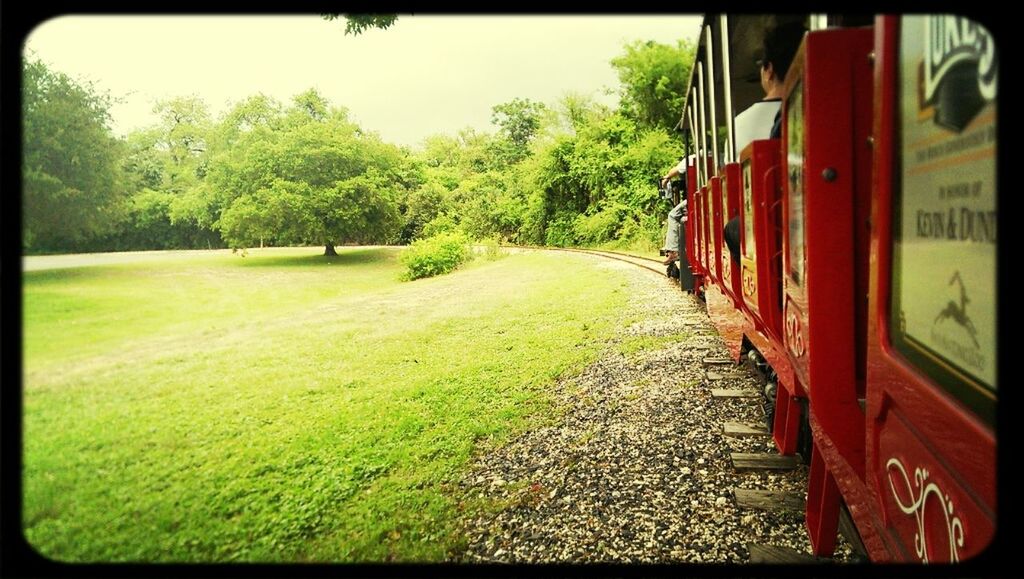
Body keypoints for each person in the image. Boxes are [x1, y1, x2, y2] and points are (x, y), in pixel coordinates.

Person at [723, 21, 806, 265]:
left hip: (774, 227)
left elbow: (737, 189)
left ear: (769, 70)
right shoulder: (823, 107)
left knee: (733, 228)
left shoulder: (741, 124)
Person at [660, 156, 689, 265]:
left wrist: (666, 177)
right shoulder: (721, 155)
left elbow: (675, 171)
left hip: (697, 197)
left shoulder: (692, 158)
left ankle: (673, 251)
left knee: (672, 215)